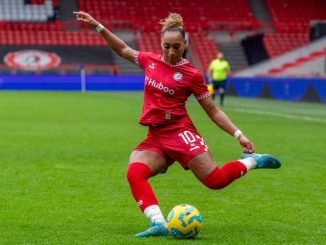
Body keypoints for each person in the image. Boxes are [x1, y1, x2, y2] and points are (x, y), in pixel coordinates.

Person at [74, 11, 281, 238]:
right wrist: (97, 26)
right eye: (167, 46)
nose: (171, 52)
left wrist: (238, 134)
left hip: (180, 133)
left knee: (215, 181)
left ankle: (252, 161)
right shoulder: (150, 61)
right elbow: (123, 50)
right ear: (160, 44)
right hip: (156, 135)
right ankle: (159, 223)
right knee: (135, 172)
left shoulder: (191, 75)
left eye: (176, 47)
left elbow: (212, 110)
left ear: (185, 44)